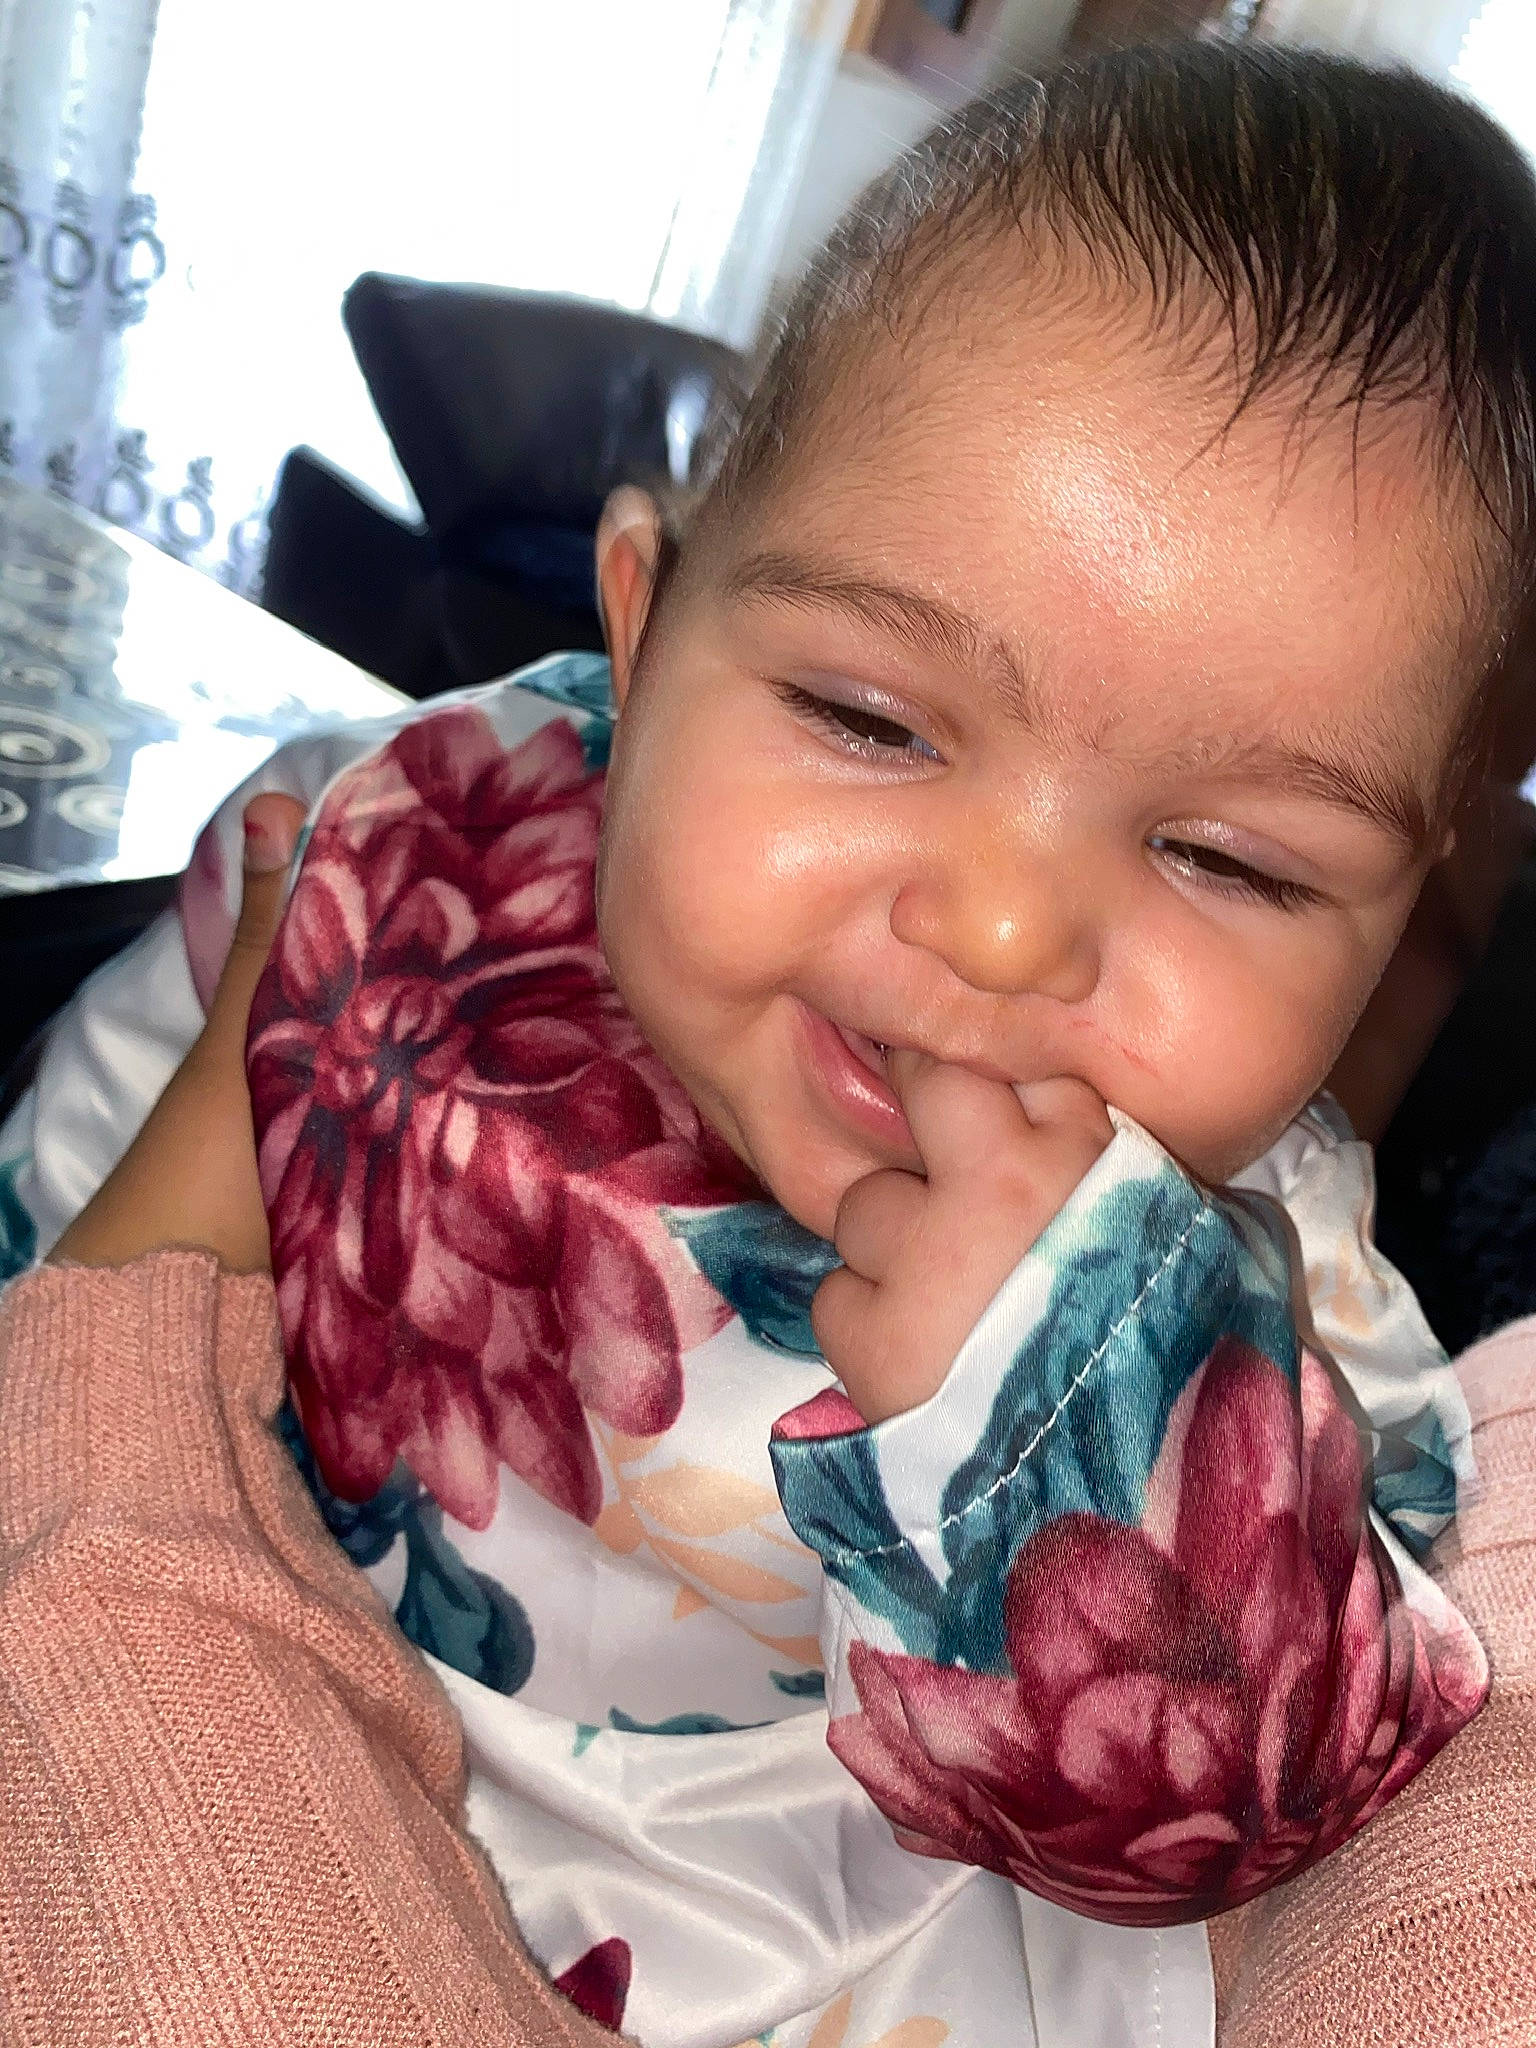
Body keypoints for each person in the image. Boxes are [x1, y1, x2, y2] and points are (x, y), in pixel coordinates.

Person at [3, 37, 1535, 2048]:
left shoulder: (1257, 1285)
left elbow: (1266, 1809)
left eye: (1227, 859)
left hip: (825, 1978)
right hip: (239, 1744)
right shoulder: (422, 847)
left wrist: (1070, 1407)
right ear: (644, 626)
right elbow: (126, 1156)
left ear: (1384, 940)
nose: (998, 926)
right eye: (874, 722)